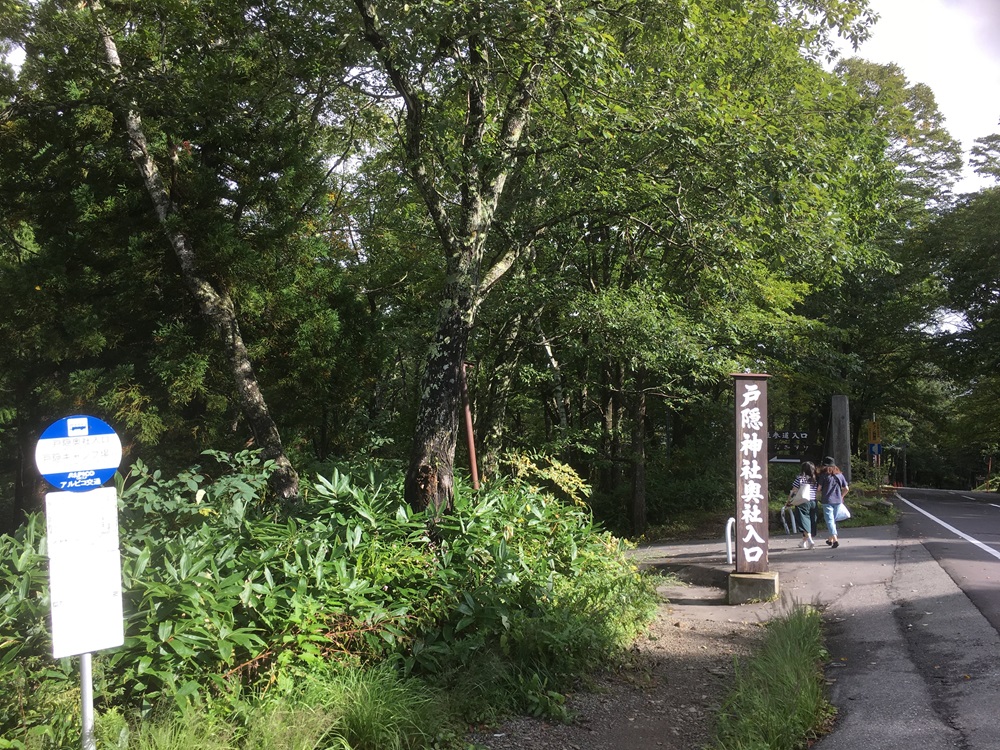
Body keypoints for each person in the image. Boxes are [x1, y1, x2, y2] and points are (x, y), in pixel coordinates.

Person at [817, 456, 849, 548]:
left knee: (830, 521)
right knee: (833, 520)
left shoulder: (823, 476)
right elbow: (846, 488)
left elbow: (819, 489)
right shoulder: (840, 475)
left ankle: (835, 540)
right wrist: (841, 496)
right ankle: (830, 540)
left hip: (827, 501)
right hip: (838, 501)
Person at [785, 461, 818, 549]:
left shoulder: (800, 479)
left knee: (803, 522)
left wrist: (788, 501)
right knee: (810, 521)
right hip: (813, 502)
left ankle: (810, 540)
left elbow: (793, 491)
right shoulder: (815, 479)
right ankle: (803, 542)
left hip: (802, 502)